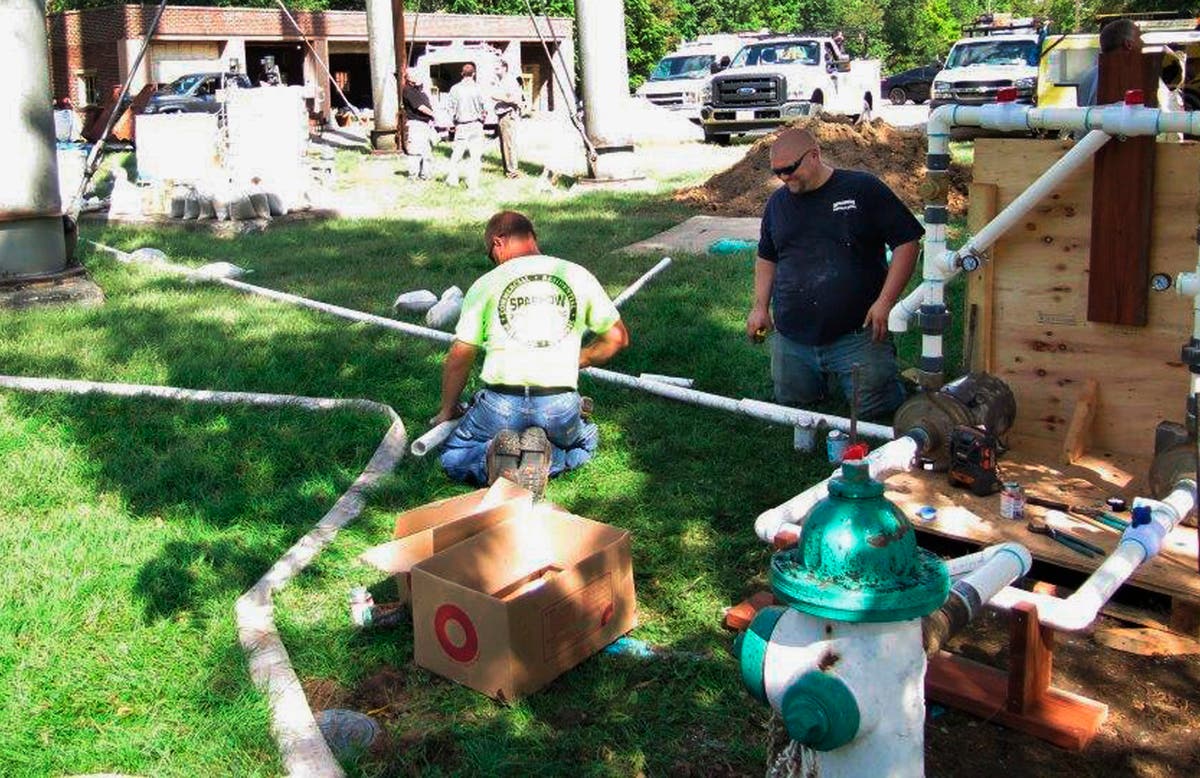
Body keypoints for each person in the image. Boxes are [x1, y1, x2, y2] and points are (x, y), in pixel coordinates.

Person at [434, 211, 630, 495]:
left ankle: (492, 461)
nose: (493, 260)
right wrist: (581, 359)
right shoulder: (576, 275)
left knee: (453, 456)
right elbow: (617, 338)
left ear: (498, 242)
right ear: (532, 238)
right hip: (558, 405)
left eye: (491, 253)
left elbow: (460, 355)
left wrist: (447, 410)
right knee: (586, 442)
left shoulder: (486, 284)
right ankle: (546, 456)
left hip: (501, 404)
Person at [746, 127, 923, 421]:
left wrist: (886, 302)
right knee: (794, 410)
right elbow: (767, 256)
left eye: (790, 169)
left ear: (814, 155)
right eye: (778, 172)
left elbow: (907, 241)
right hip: (793, 334)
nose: (784, 178)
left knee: (875, 414)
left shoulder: (862, 189)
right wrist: (760, 307)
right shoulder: (777, 203)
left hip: (856, 331)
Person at [1077, 19, 1143, 106]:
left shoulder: (1088, 77)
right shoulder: (1130, 77)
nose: (1143, 43)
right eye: (1139, 38)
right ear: (1128, 44)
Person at [445, 63, 487, 189]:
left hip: (461, 125)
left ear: (462, 74)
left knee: (457, 154)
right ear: (474, 73)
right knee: (475, 156)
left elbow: (449, 108)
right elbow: (485, 109)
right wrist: (482, 119)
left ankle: (453, 180)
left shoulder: (455, 89)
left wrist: (451, 123)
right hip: (476, 124)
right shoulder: (479, 88)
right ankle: (472, 182)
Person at [492, 61, 525, 178]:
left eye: (497, 69)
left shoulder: (510, 81)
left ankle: (513, 172)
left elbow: (515, 99)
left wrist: (498, 97)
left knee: (509, 144)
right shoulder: (500, 82)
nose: (495, 71)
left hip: (508, 115)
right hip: (501, 115)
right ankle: (508, 170)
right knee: (503, 144)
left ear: (504, 68)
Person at [402, 72, 437, 180]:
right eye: (416, 76)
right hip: (416, 124)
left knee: (426, 152)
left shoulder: (418, 90)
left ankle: (425, 174)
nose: (419, 78)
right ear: (409, 79)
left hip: (425, 124)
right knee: (416, 151)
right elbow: (420, 107)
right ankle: (413, 175)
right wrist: (434, 114)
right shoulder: (408, 90)